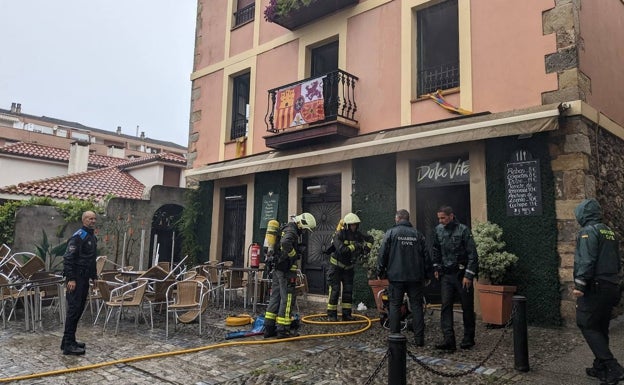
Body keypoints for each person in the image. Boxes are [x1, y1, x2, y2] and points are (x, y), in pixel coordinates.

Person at [572, 198, 624, 384]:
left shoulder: (588, 232)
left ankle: (612, 366)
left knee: (585, 323)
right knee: (601, 325)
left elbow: (587, 260)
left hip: (595, 285)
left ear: (583, 214)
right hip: (611, 285)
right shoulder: (609, 232)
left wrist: (579, 285)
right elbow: (618, 261)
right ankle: (600, 366)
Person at [377, 209, 432, 346]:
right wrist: (427, 274)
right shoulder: (418, 234)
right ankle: (419, 340)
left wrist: (380, 271)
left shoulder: (391, 233)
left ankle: (395, 338)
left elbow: (382, 253)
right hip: (415, 277)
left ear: (398, 218)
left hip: (396, 277)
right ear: (407, 219)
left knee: (394, 305)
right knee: (417, 307)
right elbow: (426, 255)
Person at [431, 205, 479, 351]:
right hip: (446, 274)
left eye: (443, 218)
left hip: (462, 274)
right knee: (446, 306)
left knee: (467, 307)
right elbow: (435, 249)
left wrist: (469, 275)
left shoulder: (463, 230)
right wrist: (437, 267)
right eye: (439, 218)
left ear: (451, 216)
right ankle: (448, 339)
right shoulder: (438, 230)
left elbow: (473, 254)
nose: (440, 221)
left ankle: (468, 338)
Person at [263, 212, 316, 339]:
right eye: (305, 229)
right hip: (286, 271)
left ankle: (269, 328)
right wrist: (294, 255)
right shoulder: (292, 231)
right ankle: (283, 330)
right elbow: (285, 243)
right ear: (301, 223)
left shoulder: (286, 228)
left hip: (278, 269)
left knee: (275, 297)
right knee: (287, 300)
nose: (304, 231)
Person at [61, 210, 98, 355]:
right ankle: (68, 345)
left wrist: (94, 276)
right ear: (83, 220)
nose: (93, 221)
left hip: (84, 279)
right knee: (74, 310)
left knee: (79, 310)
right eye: (90, 219)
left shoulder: (92, 237)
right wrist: (71, 278)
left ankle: (68, 340)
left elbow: (91, 259)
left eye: (94, 219)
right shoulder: (78, 237)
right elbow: (68, 258)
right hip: (76, 279)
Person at [326, 213, 373, 322]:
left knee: (348, 291)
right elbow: (342, 250)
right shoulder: (338, 235)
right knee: (335, 291)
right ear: (346, 225)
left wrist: (366, 249)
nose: (354, 227)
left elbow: (370, 239)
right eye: (351, 225)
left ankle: (346, 315)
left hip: (349, 268)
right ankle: (331, 315)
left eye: (355, 225)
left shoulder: (357, 234)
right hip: (336, 267)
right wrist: (355, 246)